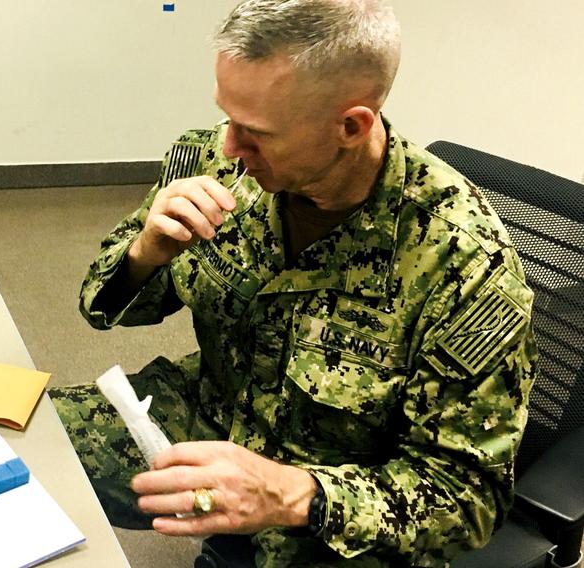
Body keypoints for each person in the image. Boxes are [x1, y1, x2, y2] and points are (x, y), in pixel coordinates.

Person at [49, 0, 537, 566]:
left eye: (255, 131)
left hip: (335, 511)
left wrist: (291, 494)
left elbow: (467, 497)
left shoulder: (461, 263)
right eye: (227, 117)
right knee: (10, 451)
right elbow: (99, 305)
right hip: (210, 415)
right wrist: (145, 253)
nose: (229, 146)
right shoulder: (210, 159)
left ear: (350, 126)